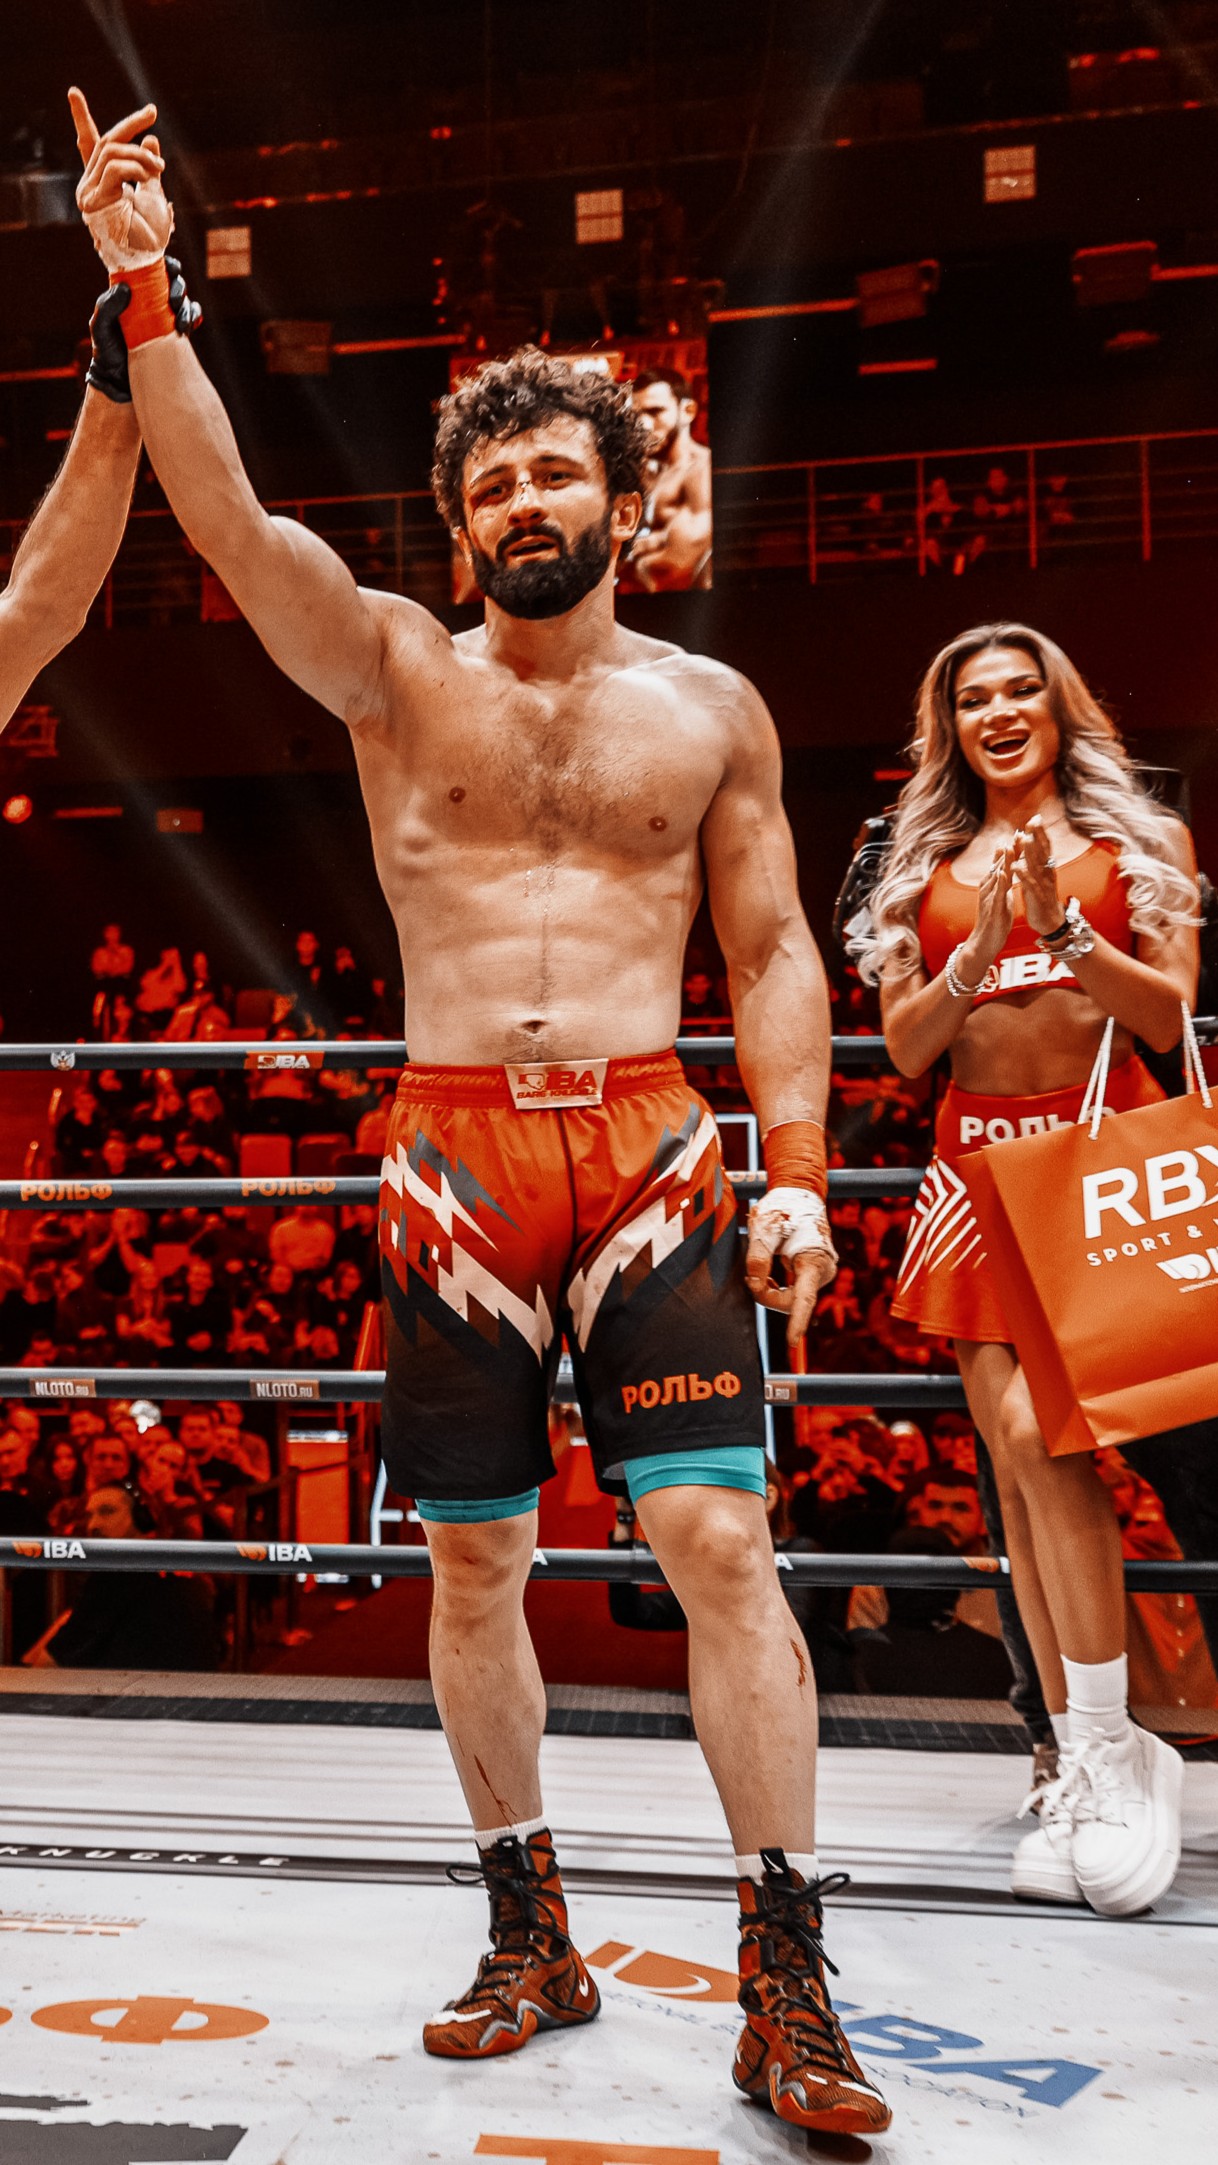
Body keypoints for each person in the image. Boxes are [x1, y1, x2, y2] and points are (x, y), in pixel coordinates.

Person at [73, 91, 890, 2137]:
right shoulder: (392, 668)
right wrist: (144, 279)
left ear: (624, 494)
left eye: (555, 467)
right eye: (493, 479)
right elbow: (224, 517)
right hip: (451, 1154)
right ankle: (531, 1925)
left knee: (717, 1541)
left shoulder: (709, 711)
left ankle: (786, 1964)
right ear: (461, 526)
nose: (526, 496)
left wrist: (800, 1173)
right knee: (470, 1564)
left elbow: (775, 953)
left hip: (651, 1145)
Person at [860, 620, 1199, 1917]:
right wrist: (972, 948)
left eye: (1019, 691)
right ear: (948, 726)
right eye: (973, 699)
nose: (998, 713)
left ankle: (1110, 1745)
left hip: (1097, 1162)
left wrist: (1064, 935)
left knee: (1044, 1446)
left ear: (1058, 710)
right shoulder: (920, 863)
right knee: (1014, 1464)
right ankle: (1084, 1754)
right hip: (972, 1170)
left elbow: (1166, 1017)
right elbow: (905, 1049)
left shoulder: (1137, 844)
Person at [626, 369, 713, 591]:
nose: (644, 426)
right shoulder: (646, 471)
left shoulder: (701, 470)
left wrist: (637, 563)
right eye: (636, 415)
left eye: (655, 412)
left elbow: (678, 564)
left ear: (687, 411)